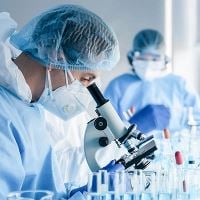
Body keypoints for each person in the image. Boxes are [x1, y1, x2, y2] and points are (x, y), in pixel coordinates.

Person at [0, 5, 124, 199]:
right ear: (55, 56)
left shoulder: (31, 107)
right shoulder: (4, 113)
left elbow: (37, 190)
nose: (84, 91)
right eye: (85, 79)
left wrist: (77, 193)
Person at [104, 29, 200, 133]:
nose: (148, 64)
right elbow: (105, 130)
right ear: (132, 57)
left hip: (174, 148)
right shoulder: (117, 86)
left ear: (164, 60)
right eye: (142, 58)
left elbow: (197, 123)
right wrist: (132, 128)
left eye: (154, 59)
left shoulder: (179, 85)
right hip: (131, 148)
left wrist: (174, 120)